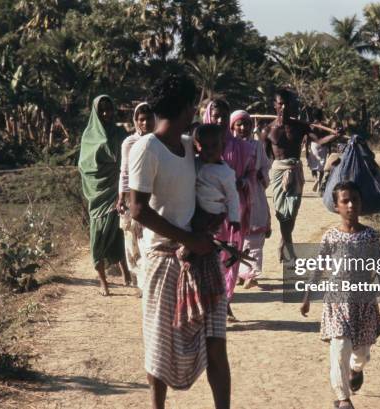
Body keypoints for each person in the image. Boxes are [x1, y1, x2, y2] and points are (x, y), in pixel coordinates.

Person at [128, 73, 230, 409]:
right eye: (193, 105)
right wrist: (188, 238)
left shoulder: (189, 146)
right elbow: (138, 210)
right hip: (163, 259)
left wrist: (212, 222)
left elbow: (211, 184)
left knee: (216, 343)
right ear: (186, 107)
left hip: (201, 256)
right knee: (158, 348)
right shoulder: (146, 148)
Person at [300, 181, 380, 409]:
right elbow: (319, 265)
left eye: (354, 200)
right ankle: (343, 398)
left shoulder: (370, 235)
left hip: (363, 302)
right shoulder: (331, 236)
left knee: (361, 353)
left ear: (361, 203)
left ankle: (356, 369)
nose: (350, 205)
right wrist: (308, 294)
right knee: (339, 349)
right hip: (337, 301)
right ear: (336, 206)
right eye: (345, 201)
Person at [263, 89, 342, 262]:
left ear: (291, 106)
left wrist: (334, 136)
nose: (284, 107)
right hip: (278, 172)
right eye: (280, 104)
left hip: (296, 171)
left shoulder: (300, 126)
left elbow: (319, 141)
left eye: (287, 104)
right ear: (274, 105)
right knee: (282, 212)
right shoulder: (268, 130)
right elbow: (264, 158)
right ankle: (289, 248)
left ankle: (284, 244)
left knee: (292, 211)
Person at [203, 99, 255, 321]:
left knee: (232, 255)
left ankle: (226, 301)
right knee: (211, 256)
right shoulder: (199, 146)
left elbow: (252, 174)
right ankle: (212, 303)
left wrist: (244, 182)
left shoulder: (241, 147)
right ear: (208, 117)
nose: (221, 120)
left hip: (235, 209)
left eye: (224, 115)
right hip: (209, 211)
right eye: (216, 116)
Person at [78, 95, 132, 296]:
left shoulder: (120, 133)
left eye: (110, 109)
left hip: (119, 190)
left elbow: (128, 160)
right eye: (102, 110)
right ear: (95, 112)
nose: (107, 113)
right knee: (99, 235)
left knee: (120, 232)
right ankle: (103, 281)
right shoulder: (88, 137)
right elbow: (85, 167)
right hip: (99, 194)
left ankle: (126, 272)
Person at [231, 110, 271, 289]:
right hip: (235, 194)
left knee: (254, 237)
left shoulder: (257, 146)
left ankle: (252, 273)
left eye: (246, 124)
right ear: (232, 126)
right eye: (239, 124)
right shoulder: (228, 145)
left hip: (254, 193)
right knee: (237, 236)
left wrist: (261, 176)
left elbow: (264, 166)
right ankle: (240, 272)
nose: (243, 127)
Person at [117, 102, 156, 289]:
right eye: (142, 119)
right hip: (133, 195)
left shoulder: (160, 141)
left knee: (150, 242)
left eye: (149, 118)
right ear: (136, 121)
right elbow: (124, 172)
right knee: (132, 243)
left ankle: (149, 283)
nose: (146, 123)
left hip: (155, 196)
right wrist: (121, 198)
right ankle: (141, 282)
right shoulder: (129, 143)